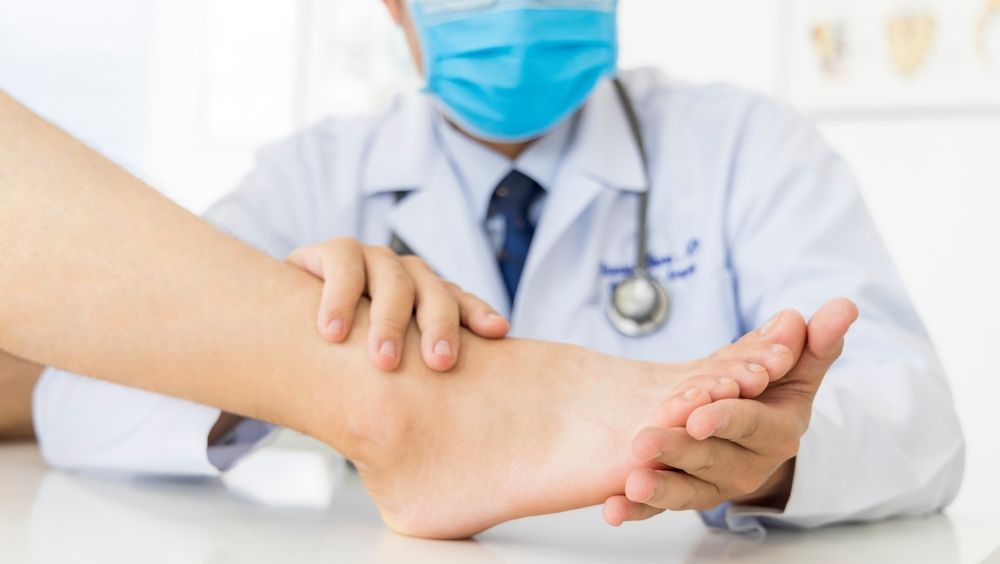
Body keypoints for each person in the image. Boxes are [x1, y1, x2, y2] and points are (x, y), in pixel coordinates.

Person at [6, 0, 963, 535]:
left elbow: (915, 417)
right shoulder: (315, 174)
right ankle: (421, 414)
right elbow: (80, 398)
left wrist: (765, 458)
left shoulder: (743, 143)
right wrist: (301, 336)